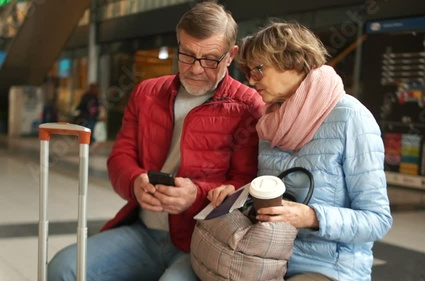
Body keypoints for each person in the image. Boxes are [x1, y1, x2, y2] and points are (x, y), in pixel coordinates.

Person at [47, 2, 264, 281]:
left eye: (210, 59)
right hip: (142, 231)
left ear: (231, 55)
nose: (196, 69)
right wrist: (136, 181)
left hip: (204, 240)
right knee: (63, 269)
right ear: (178, 44)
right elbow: (120, 157)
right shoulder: (147, 92)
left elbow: (246, 182)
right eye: (187, 55)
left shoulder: (247, 105)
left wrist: (196, 195)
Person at [209, 20, 393, 281]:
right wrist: (238, 196)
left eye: (259, 69)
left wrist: (311, 216)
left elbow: (377, 221)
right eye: (249, 72)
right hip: (270, 255)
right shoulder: (270, 121)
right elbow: (272, 192)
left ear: (293, 62)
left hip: (330, 266)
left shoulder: (351, 117)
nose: (251, 81)